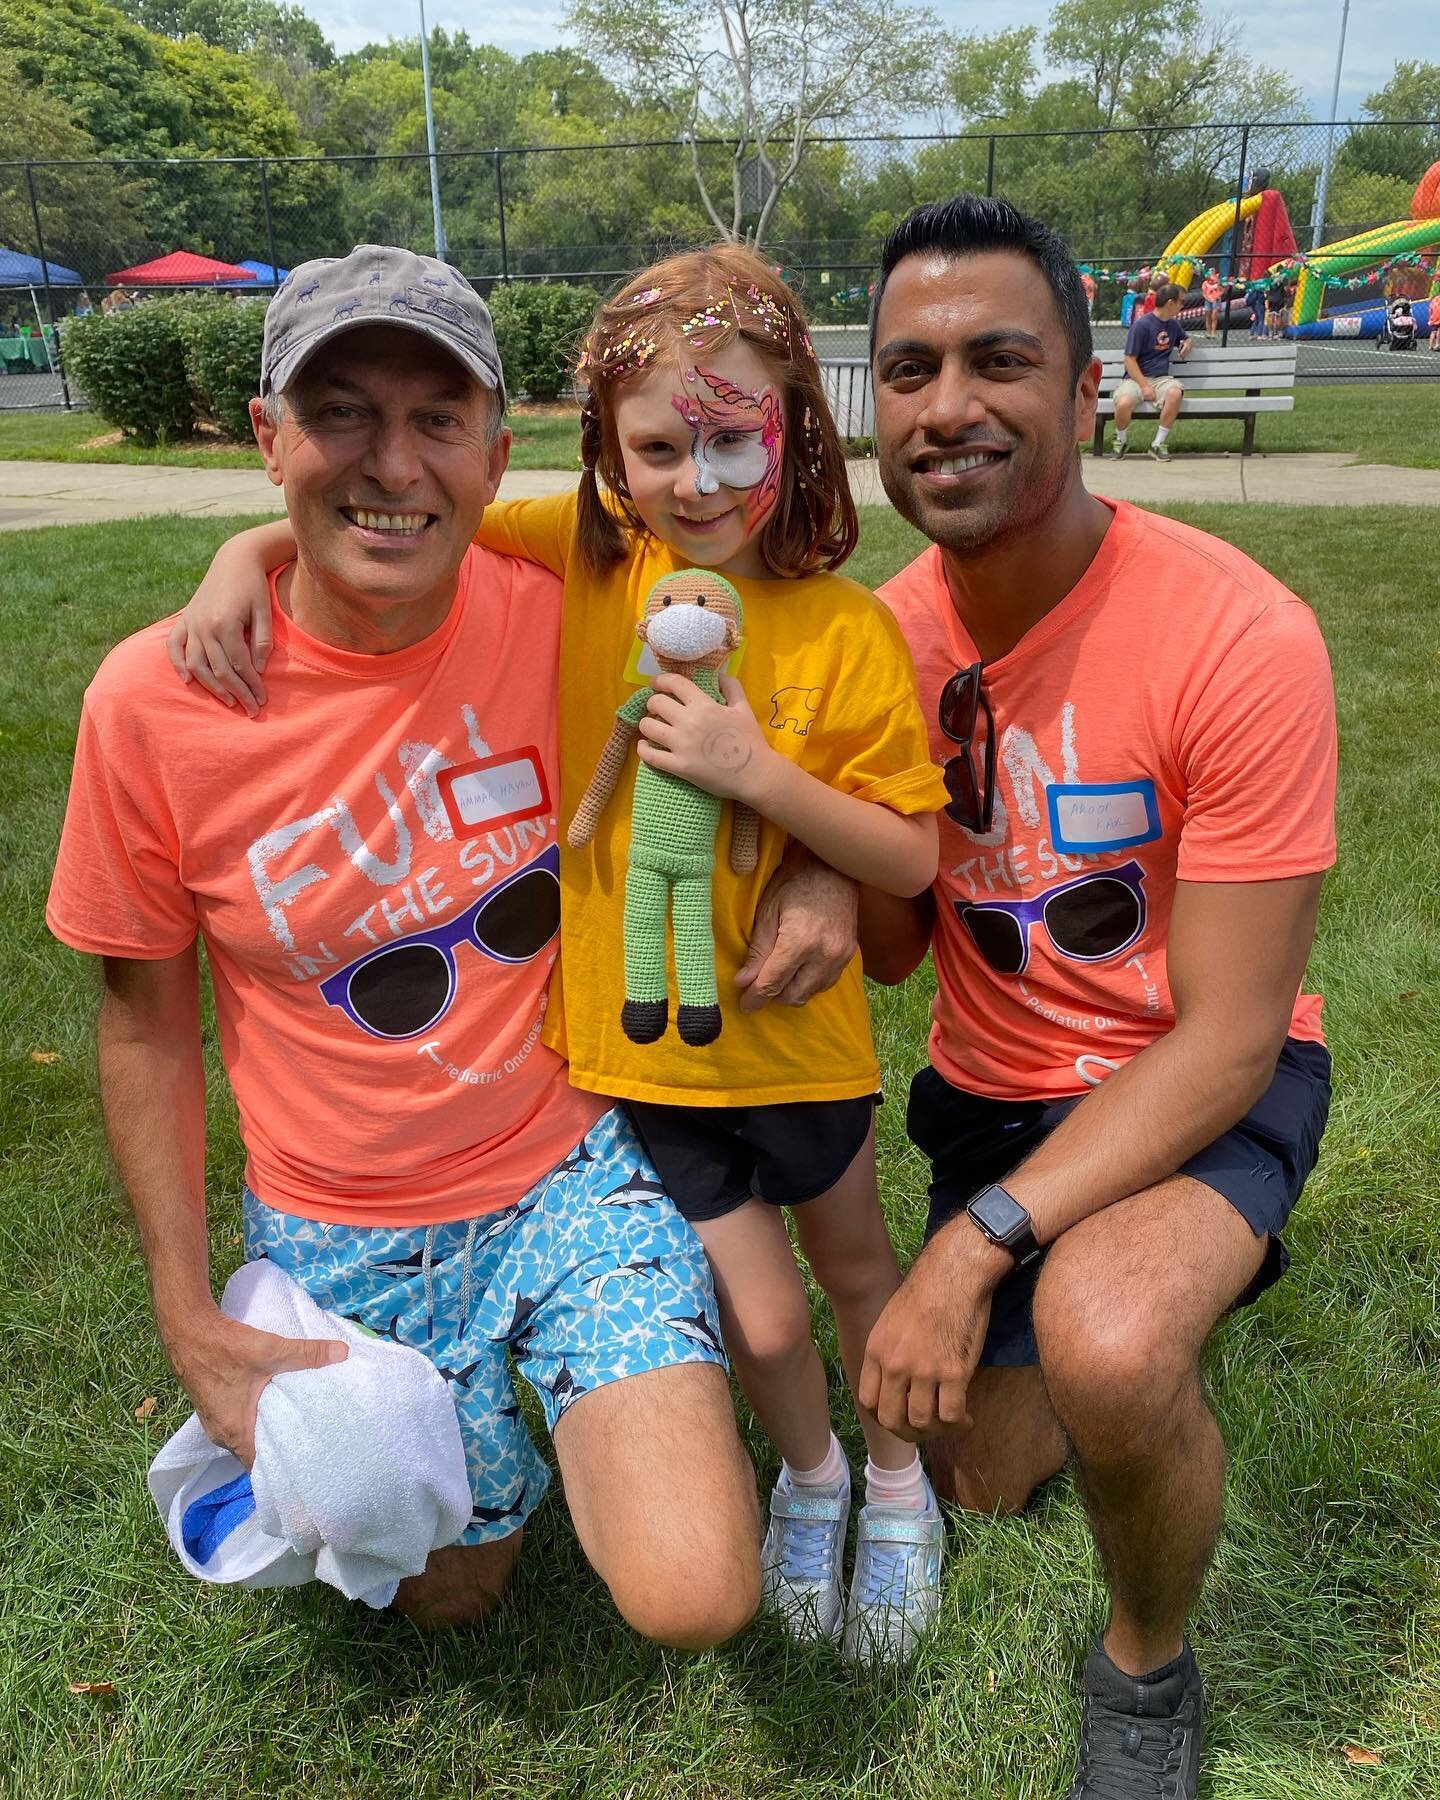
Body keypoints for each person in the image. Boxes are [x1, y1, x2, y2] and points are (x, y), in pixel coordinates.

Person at [164, 245, 953, 1664]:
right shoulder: (596, 556)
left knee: (854, 1275)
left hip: (794, 1052)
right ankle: (815, 1475)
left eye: (735, 440)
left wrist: (765, 783)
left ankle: (894, 1488)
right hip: (640, 1065)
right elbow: (404, 512)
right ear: (610, 459)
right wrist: (247, 552)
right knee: (767, 1328)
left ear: (796, 433)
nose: (699, 480)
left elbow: (907, 851)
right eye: (661, 446)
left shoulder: (843, 629)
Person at [46, 244, 768, 1646]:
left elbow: (767, 617)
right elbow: (141, 1026)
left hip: (568, 1166)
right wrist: (191, 1320)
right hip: (345, 1217)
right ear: (267, 440)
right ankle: (405, 1412)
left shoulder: (575, 618)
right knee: (446, 1598)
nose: (394, 462)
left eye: (437, 420)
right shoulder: (153, 706)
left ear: (499, 453)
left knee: (695, 1593)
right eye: (341, 416)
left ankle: (587, 1378)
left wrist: (798, 883)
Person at [858, 194, 1336, 1800]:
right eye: (908, 370)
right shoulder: (877, 642)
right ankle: (1107, 1291)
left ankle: (1147, 1666)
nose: (949, 407)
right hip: (992, 1090)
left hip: (1191, 1073)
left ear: (1086, 391)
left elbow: (1231, 1032)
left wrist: (975, 1244)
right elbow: (889, 953)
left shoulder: (1238, 634)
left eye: (1001, 360)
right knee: (984, 1477)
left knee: (1111, 1343)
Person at [1110, 280, 1191, 460]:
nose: (1182, 306)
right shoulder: (1142, 325)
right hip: (1136, 379)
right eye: (1181, 302)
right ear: (1170, 303)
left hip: (1161, 379)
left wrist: (1187, 343)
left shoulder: (1173, 325)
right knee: (1124, 403)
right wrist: (1144, 386)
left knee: (1175, 393)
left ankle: (1158, 444)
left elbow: (1185, 338)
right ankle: (1121, 441)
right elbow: (1129, 361)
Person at [1201, 271, 1222, 335]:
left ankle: (1213, 332)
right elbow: (1204, 293)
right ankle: (1208, 332)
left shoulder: (1218, 283)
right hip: (1208, 300)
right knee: (1208, 316)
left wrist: (1217, 296)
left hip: (1216, 300)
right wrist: (1208, 299)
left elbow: (1221, 291)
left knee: (1214, 316)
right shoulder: (1205, 283)